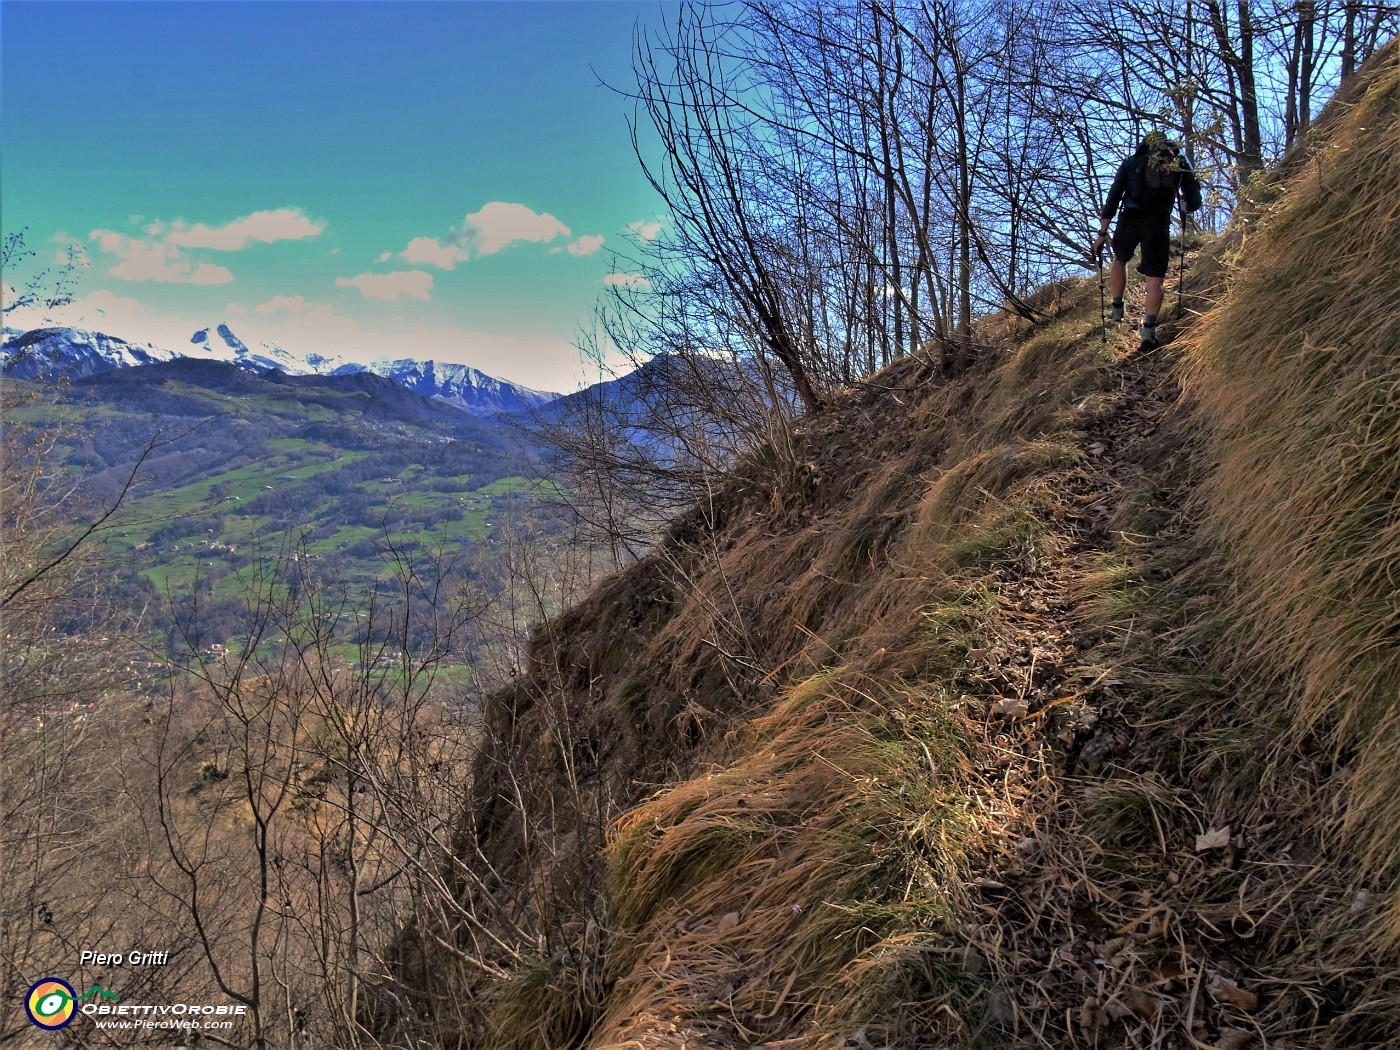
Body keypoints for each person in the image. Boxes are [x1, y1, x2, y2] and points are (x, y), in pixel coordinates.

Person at [1091, 131, 1202, 346]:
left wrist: (1102, 234)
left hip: (1130, 217)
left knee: (1120, 259)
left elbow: (1114, 195)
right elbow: (1193, 196)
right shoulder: (1178, 161)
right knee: (1155, 278)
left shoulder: (1130, 163)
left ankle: (1116, 310)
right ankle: (1148, 331)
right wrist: (1187, 206)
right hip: (1158, 221)